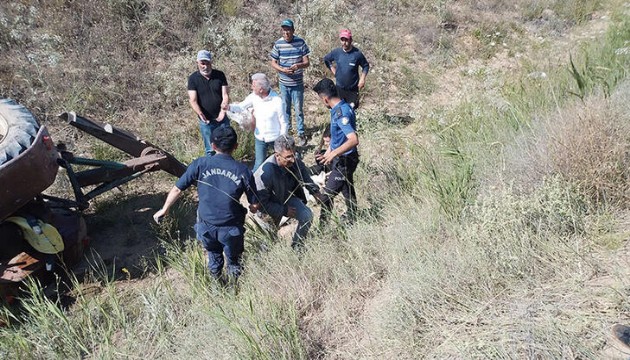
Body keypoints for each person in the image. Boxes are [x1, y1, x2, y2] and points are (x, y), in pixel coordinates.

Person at [153, 126, 259, 283]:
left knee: (214, 258)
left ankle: (217, 288)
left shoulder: (200, 164)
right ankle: (233, 290)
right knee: (234, 262)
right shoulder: (243, 170)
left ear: (213, 145)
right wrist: (252, 208)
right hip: (231, 229)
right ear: (236, 146)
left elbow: (177, 189)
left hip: (206, 227)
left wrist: (164, 209)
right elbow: (254, 205)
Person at [254, 135, 321, 249]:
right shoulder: (265, 174)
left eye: (294, 155)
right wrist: (283, 210)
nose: (293, 160)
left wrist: (315, 191)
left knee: (306, 216)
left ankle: (297, 247)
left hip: (286, 198)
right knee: (268, 244)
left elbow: (304, 176)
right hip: (267, 210)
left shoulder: (294, 162)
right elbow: (261, 204)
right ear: (277, 155)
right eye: (288, 157)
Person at [312, 78, 360, 224]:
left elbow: (353, 139)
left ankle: (323, 226)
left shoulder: (341, 113)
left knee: (326, 195)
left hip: (345, 161)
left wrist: (334, 153)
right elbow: (339, 136)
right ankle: (353, 217)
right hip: (341, 158)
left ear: (325, 99)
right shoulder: (337, 109)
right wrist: (329, 151)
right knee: (347, 189)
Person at [228, 73, 287, 172]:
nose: (251, 87)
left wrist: (283, 140)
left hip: (275, 139)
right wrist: (229, 107)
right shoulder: (253, 97)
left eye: (254, 86)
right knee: (259, 163)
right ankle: (252, 184)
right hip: (260, 138)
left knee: (280, 163)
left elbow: (283, 122)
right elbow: (241, 106)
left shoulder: (277, 101)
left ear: (261, 89)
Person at [269, 19, 310, 147]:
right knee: (285, 109)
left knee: (298, 109)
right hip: (284, 83)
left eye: (288, 30)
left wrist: (298, 66)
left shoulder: (300, 42)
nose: (286, 32)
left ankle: (301, 133)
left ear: (293, 30)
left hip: (297, 82)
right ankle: (287, 132)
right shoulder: (278, 44)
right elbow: (273, 62)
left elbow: (307, 62)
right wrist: (283, 70)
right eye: (284, 30)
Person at [188, 50, 230, 156]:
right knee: (210, 149)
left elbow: (225, 95)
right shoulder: (193, 79)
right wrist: (201, 115)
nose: (205, 66)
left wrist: (222, 112)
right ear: (197, 63)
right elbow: (193, 100)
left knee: (226, 146)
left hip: (222, 118)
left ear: (211, 62)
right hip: (206, 121)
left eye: (207, 63)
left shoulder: (220, 75)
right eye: (202, 63)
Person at [323, 29, 370, 109]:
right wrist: (333, 70)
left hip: (352, 90)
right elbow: (326, 59)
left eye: (346, 40)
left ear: (351, 40)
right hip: (339, 89)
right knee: (339, 111)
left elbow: (365, 66)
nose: (344, 42)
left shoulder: (357, 54)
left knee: (351, 112)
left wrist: (362, 79)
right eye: (342, 40)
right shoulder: (337, 52)